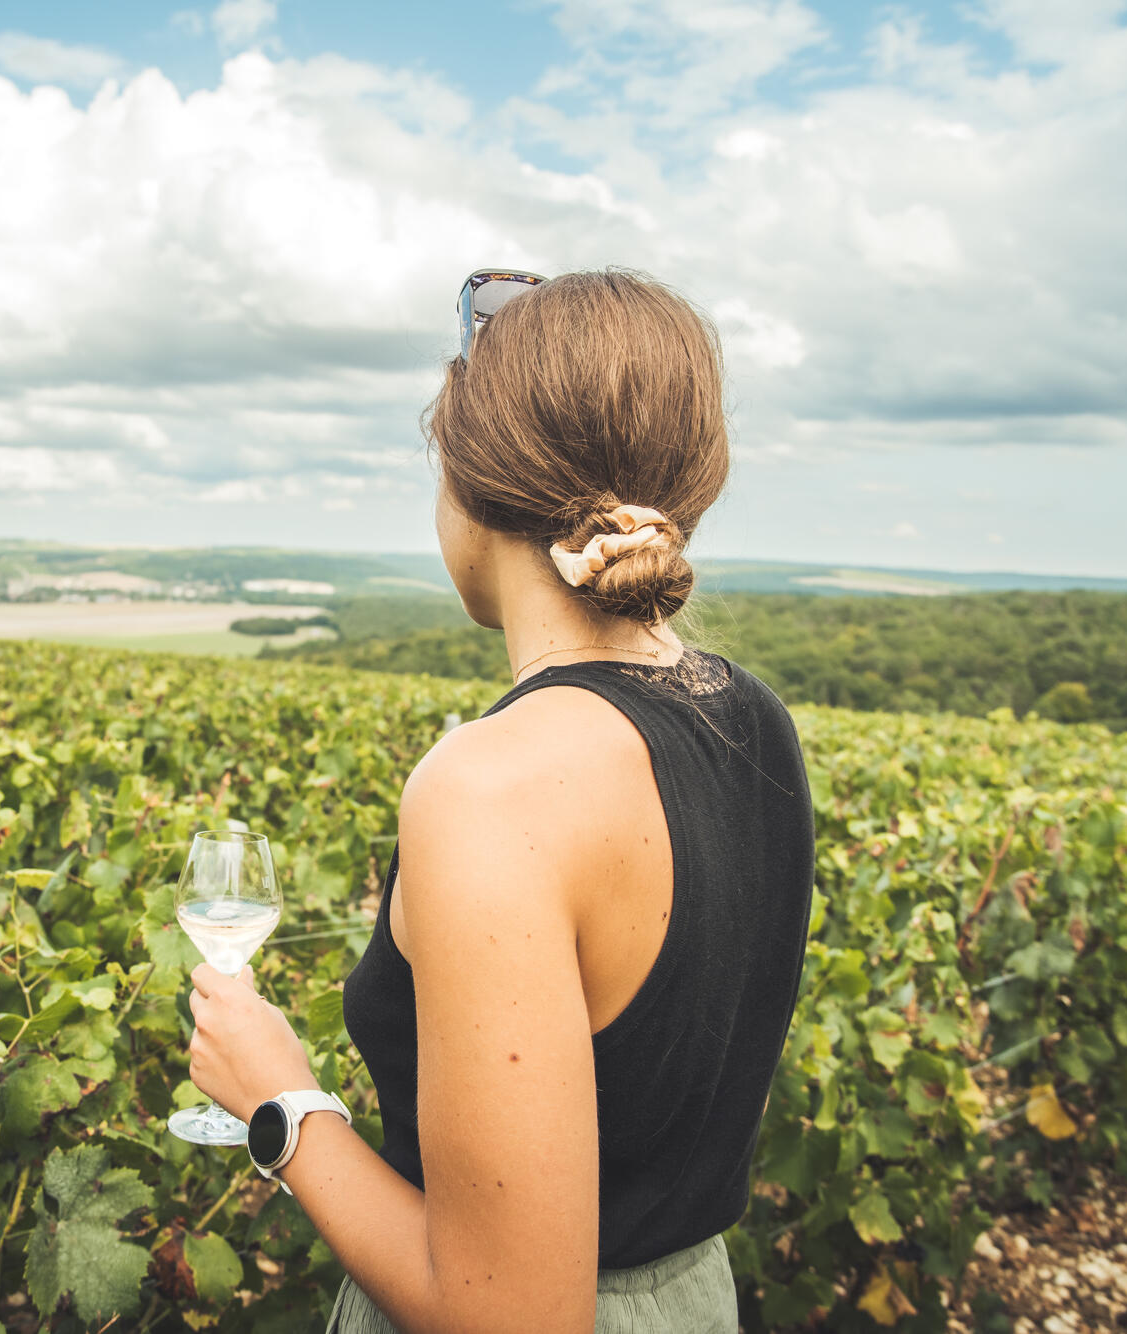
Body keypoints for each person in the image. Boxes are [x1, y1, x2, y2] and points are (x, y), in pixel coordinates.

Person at [185, 266, 817, 1334]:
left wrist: (278, 1102)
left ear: (472, 490)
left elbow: (511, 1314)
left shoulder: (490, 786)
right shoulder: (749, 713)